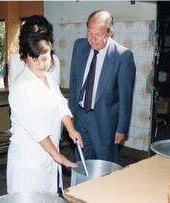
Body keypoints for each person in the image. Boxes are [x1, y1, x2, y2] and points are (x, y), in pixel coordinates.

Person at [7, 33, 83, 195]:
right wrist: (59, 156)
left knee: (47, 196)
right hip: (28, 157)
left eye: (45, 58)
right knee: (29, 195)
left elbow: (61, 104)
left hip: (48, 151)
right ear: (25, 58)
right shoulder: (20, 87)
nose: (42, 64)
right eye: (35, 59)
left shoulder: (48, 77)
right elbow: (36, 128)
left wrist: (71, 129)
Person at [69, 10, 136, 163]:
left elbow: (126, 98)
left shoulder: (123, 56)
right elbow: (74, 82)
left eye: (97, 35)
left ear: (110, 32)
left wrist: (121, 128)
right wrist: (72, 114)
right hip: (80, 116)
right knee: (81, 163)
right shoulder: (79, 46)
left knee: (105, 164)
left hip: (105, 121)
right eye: (89, 33)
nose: (92, 39)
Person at [9, 15, 60, 86]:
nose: (38, 40)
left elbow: (54, 89)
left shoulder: (54, 60)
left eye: (42, 35)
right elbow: (14, 88)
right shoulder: (16, 59)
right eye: (34, 35)